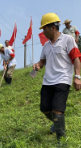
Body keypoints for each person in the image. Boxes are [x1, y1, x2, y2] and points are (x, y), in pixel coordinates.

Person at [33, 13, 81, 141]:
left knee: (57, 109)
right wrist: (38, 65)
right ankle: (56, 123)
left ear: (52, 27)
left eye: (44, 29)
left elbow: (76, 58)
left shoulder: (67, 40)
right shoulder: (46, 46)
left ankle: (61, 139)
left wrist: (77, 76)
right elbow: (42, 61)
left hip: (63, 79)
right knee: (44, 109)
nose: (43, 32)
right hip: (48, 81)